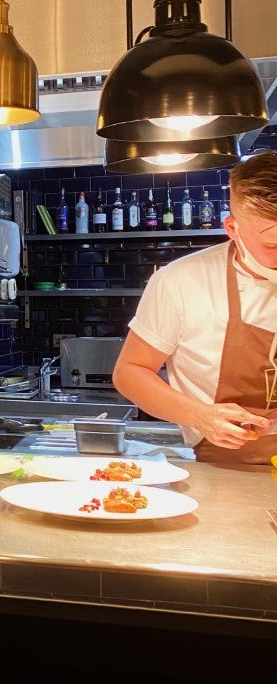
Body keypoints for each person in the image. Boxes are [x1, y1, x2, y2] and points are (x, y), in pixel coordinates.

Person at [112, 150, 277, 465]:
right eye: (272, 246)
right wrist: (201, 416)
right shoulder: (181, 281)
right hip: (228, 470)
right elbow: (129, 373)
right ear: (233, 229)